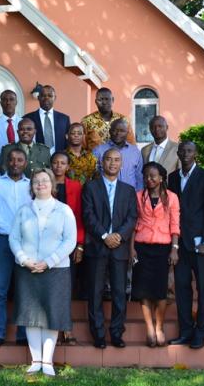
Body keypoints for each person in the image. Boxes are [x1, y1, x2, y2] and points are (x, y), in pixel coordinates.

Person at [9, 169, 77, 376]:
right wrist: (24, 259)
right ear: (32, 187)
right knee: (31, 316)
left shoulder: (64, 210)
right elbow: (14, 238)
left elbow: (70, 241)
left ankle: (47, 361)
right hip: (28, 268)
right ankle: (36, 360)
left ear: (52, 184)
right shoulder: (23, 210)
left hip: (55, 270)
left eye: (45, 181)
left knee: (52, 315)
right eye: (36, 182)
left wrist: (48, 262)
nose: (40, 184)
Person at [82, 148, 137, 349]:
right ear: (101, 162)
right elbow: (88, 216)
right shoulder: (90, 187)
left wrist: (119, 236)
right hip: (98, 246)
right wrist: (105, 236)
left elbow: (132, 218)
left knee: (119, 293)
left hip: (120, 248)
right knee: (95, 292)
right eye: (108, 159)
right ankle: (98, 334)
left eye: (116, 160)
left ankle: (116, 333)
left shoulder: (128, 190)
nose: (112, 163)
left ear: (121, 164)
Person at [168, 141, 204, 349]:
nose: (186, 154)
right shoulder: (172, 178)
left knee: (203, 290)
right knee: (181, 289)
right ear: (178, 153)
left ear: (195, 154)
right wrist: (173, 243)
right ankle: (186, 331)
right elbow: (170, 212)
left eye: (190, 151)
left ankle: (202, 332)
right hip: (180, 245)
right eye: (183, 151)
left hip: (200, 246)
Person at [129, 162, 180, 347]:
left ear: (161, 178)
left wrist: (174, 249)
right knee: (143, 290)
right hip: (142, 247)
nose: (149, 179)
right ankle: (149, 328)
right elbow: (133, 225)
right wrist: (131, 248)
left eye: (153, 176)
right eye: (146, 176)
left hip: (162, 247)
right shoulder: (138, 196)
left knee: (160, 291)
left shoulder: (172, 198)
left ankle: (159, 326)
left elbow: (175, 224)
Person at [0, 147, 30, 347]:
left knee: (23, 290)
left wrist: (20, 233)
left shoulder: (31, 186)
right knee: (0, 289)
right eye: (12, 160)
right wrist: (11, 232)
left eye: (20, 160)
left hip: (26, 242)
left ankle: (22, 334)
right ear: (6, 162)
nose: (15, 163)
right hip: (2, 241)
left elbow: (33, 212)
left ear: (25, 163)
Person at [50, 151, 85, 345]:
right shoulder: (44, 185)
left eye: (62, 163)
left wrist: (79, 245)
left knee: (67, 288)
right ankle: (54, 328)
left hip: (69, 245)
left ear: (68, 166)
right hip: (48, 246)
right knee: (52, 289)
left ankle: (67, 327)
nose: (58, 166)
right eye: (55, 163)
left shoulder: (76, 186)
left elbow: (79, 216)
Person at [93, 118, 143, 191]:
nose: (118, 133)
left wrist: (138, 196)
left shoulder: (135, 152)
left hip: (130, 196)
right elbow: (93, 175)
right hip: (105, 195)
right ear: (110, 131)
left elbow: (139, 177)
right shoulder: (98, 151)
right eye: (115, 130)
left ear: (127, 133)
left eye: (122, 131)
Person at [23, 85, 70, 154]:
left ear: (55, 98)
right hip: (36, 160)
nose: (46, 98)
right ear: (38, 98)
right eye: (43, 95)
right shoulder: (28, 118)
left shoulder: (64, 119)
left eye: (50, 96)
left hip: (59, 160)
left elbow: (68, 141)